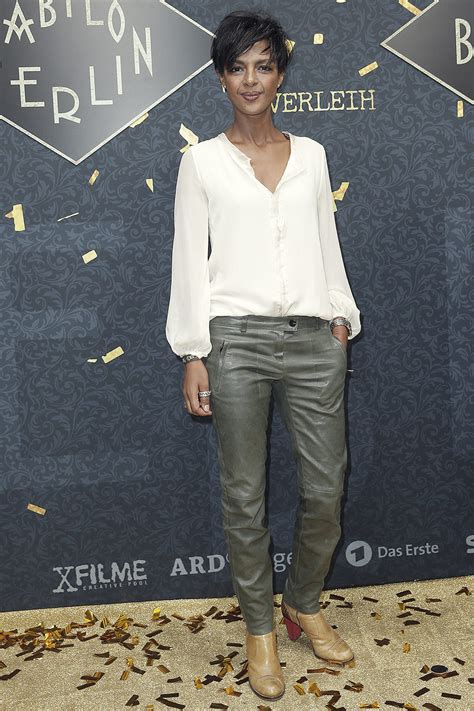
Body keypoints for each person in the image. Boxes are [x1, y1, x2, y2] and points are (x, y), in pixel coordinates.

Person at [165, 9, 361, 702]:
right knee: (244, 496)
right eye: (237, 67)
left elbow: (325, 241)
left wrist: (341, 316)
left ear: (280, 75)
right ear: (222, 79)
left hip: (313, 339)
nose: (251, 79)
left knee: (326, 489)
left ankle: (302, 603)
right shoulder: (201, 162)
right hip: (236, 343)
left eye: (264, 65)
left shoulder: (311, 154)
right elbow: (189, 261)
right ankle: (259, 631)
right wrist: (193, 352)